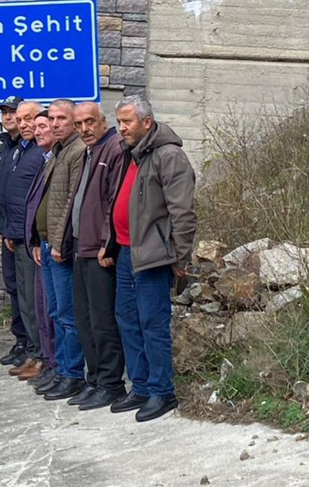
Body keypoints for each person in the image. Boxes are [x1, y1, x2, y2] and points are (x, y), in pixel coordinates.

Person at [101, 95, 196, 422]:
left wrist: (180, 257)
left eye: (127, 122)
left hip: (154, 256)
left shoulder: (169, 156)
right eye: (119, 122)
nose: (121, 128)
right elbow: (118, 202)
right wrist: (110, 242)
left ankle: (161, 391)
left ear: (147, 122)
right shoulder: (132, 155)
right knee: (126, 319)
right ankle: (140, 386)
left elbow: (182, 212)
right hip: (127, 252)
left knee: (152, 323)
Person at [68, 103, 127, 410]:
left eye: (90, 122)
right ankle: (95, 380)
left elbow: (113, 201)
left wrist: (108, 243)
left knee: (103, 321)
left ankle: (111, 383)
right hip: (82, 246)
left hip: (100, 250)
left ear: (104, 122)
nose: (84, 129)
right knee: (85, 318)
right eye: (79, 124)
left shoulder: (114, 150)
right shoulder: (89, 151)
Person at [33, 99, 88, 401]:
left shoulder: (77, 151)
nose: (54, 124)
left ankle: (72, 373)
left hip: (60, 247)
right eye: (51, 118)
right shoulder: (57, 152)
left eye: (61, 119)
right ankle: (61, 368)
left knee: (68, 314)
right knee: (55, 311)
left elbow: (70, 202)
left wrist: (58, 243)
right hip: (47, 243)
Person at [0, 100, 46, 375]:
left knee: (34, 299)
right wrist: (8, 230)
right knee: (23, 297)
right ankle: (32, 352)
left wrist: (31, 236)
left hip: (31, 238)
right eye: (21, 119)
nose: (25, 124)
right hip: (16, 234)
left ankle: (41, 356)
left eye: (30, 119)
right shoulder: (16, 150)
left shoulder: (41, 153)